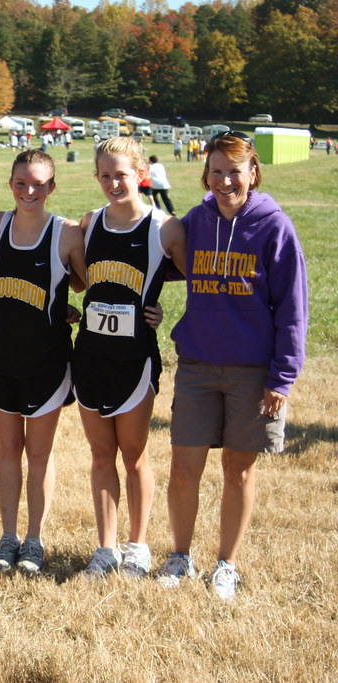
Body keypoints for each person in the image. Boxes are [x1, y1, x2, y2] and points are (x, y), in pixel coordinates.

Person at [155, 131, 307, 599]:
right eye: (216, 171)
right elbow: (154, 265)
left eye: (234, 171)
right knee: (184, 467)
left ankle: (227, 564)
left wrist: (282, 376)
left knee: (238, 471)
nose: (225, 181)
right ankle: (180, 555)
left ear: (253, 173)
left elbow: (293, 308)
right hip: (198, 365)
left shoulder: (274, 227)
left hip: (252, 371)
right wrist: (149, 307)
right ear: (206, 175)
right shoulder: (195, 223)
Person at [71, 137, 186, 579]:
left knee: (134, 454)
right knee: (101, 455)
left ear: (139, 172)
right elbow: (81, 283)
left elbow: (198, 274)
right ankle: (106, 547)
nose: (113, 183)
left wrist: (159, 308)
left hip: (135, 358)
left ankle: (137, 546)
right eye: (105, 175)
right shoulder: (89, 223)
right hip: (90, 356)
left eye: (121, 174)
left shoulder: (164, 227)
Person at [0, 150, 86, 574]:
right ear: (11, 185)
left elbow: (83, 282)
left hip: (46, 361)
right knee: (7, 450)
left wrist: (66, 306)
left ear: (52, 187)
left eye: (39, 184)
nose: (30, 191)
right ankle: (8, 538)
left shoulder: (66, 233)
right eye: (22, 183)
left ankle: (34, 541)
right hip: (0, 357)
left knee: (39, 455)